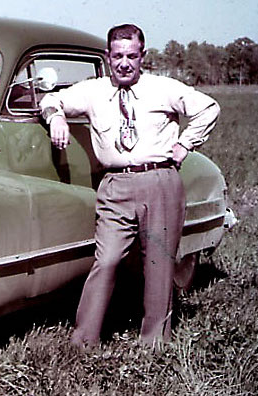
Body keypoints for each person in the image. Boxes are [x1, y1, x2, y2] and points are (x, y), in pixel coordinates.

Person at [39, 24, 220, 346]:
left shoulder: (163, 88)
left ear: (142, 57)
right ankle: (84, 342)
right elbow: (52, 100)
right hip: (115, 186)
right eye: (118, 56)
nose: (124, 63)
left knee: (159, 264)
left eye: (132, 56)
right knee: (106, 260)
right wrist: (56, 117)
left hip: (160, 180)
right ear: (108, 57)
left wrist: (185, 144)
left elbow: (208, 108)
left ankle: (154, 343)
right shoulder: (93, 90)